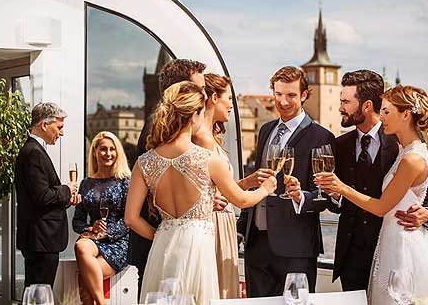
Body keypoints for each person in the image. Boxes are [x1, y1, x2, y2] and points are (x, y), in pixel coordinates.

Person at [125, 81, 277, 305]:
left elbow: (131, 218)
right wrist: (265, 189)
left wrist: (159, 235)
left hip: (162, 245)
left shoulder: (145, 162)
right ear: (195, 115)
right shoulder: (209, 160)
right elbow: (242, 200)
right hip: (197, 246)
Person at [316, 85, 428, 304]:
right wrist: (334, 193)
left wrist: (427, 211)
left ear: (406, 114)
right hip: (370, 248)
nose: (382, 117)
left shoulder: (412, 156)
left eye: (387, 111)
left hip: (402, 245)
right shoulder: (404, 149)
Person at [129, 59, 229, 296]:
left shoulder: (161, 128)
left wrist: (203, 196)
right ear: (183, 90)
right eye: (201, 89)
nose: (205, 95)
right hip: (167, 243)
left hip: (165, 240)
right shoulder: (164, 131)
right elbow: (163, 180)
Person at [236, 66, 335, 296]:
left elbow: (325, 196)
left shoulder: (321, 136)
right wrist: (242, 229)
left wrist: (301, 197)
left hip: (295, 248)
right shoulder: (266, 130)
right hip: (256, 245)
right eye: (278, 94)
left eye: (291, 95)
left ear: (304, 95)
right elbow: (259, 184)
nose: (283, 101)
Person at [192, 73, 273, 299]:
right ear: (214, 98)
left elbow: (215, 189)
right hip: (215, 224)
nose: (231, 104)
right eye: (229, 97)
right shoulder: (202, 139)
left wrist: (246, 182)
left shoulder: (209, 137)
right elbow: (222, 197)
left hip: (222, 221)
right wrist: (266, 187)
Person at [15, 102, 79, 288]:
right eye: (59, 127)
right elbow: (42, 196)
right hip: (41, 240)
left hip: (40, 239)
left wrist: (67, 198)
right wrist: (67, 189)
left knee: (38, 292)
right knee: (39, 293)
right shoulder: (33, 152)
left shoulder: (33, 150)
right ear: (44, 125)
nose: (61, 133)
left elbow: (42, 197)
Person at [72, 131, 131, 305]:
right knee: (81, 245)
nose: (108, 153)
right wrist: (90, 229)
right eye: (103, 149)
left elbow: (129, 220)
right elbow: (78, 221)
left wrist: (106, 233)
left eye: (112, 149)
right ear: (95, 151)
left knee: (85, 279)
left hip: (120, 241)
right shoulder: (86, 183)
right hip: (95, 238)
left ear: (118, 152)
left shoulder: (125, 181)